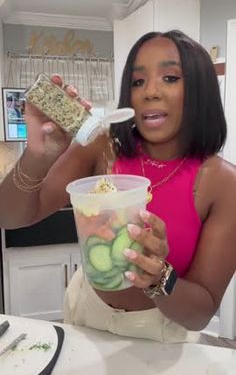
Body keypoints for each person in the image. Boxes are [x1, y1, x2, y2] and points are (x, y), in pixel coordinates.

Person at [0, 30, 236, 343]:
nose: (149, 91)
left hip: (160, 332)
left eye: (170, 77)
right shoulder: (101, 146)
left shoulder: (223, 183)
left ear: (201, 91)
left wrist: (157, 277)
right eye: (138, 81)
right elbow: (10, 218)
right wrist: (37, 157)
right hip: (86, 311)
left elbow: (201, 314)